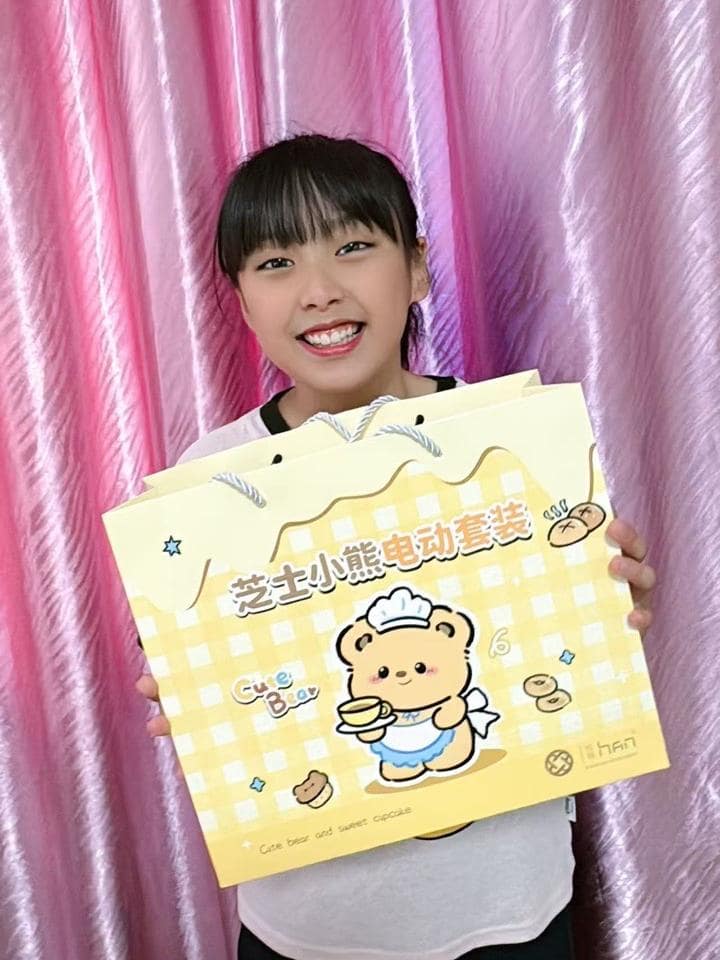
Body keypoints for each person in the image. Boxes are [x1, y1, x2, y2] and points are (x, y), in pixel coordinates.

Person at [136, 134, 656, 960]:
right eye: (276, 263)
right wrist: (188, 684)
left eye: (353, 246)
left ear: (416, 269)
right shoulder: (208, 483)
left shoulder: (511, 443)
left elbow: (558, 661)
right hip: (307, 931)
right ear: (242, 302)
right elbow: (191, 669)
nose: (319, 290)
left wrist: (611, 607)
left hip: (514, 909)